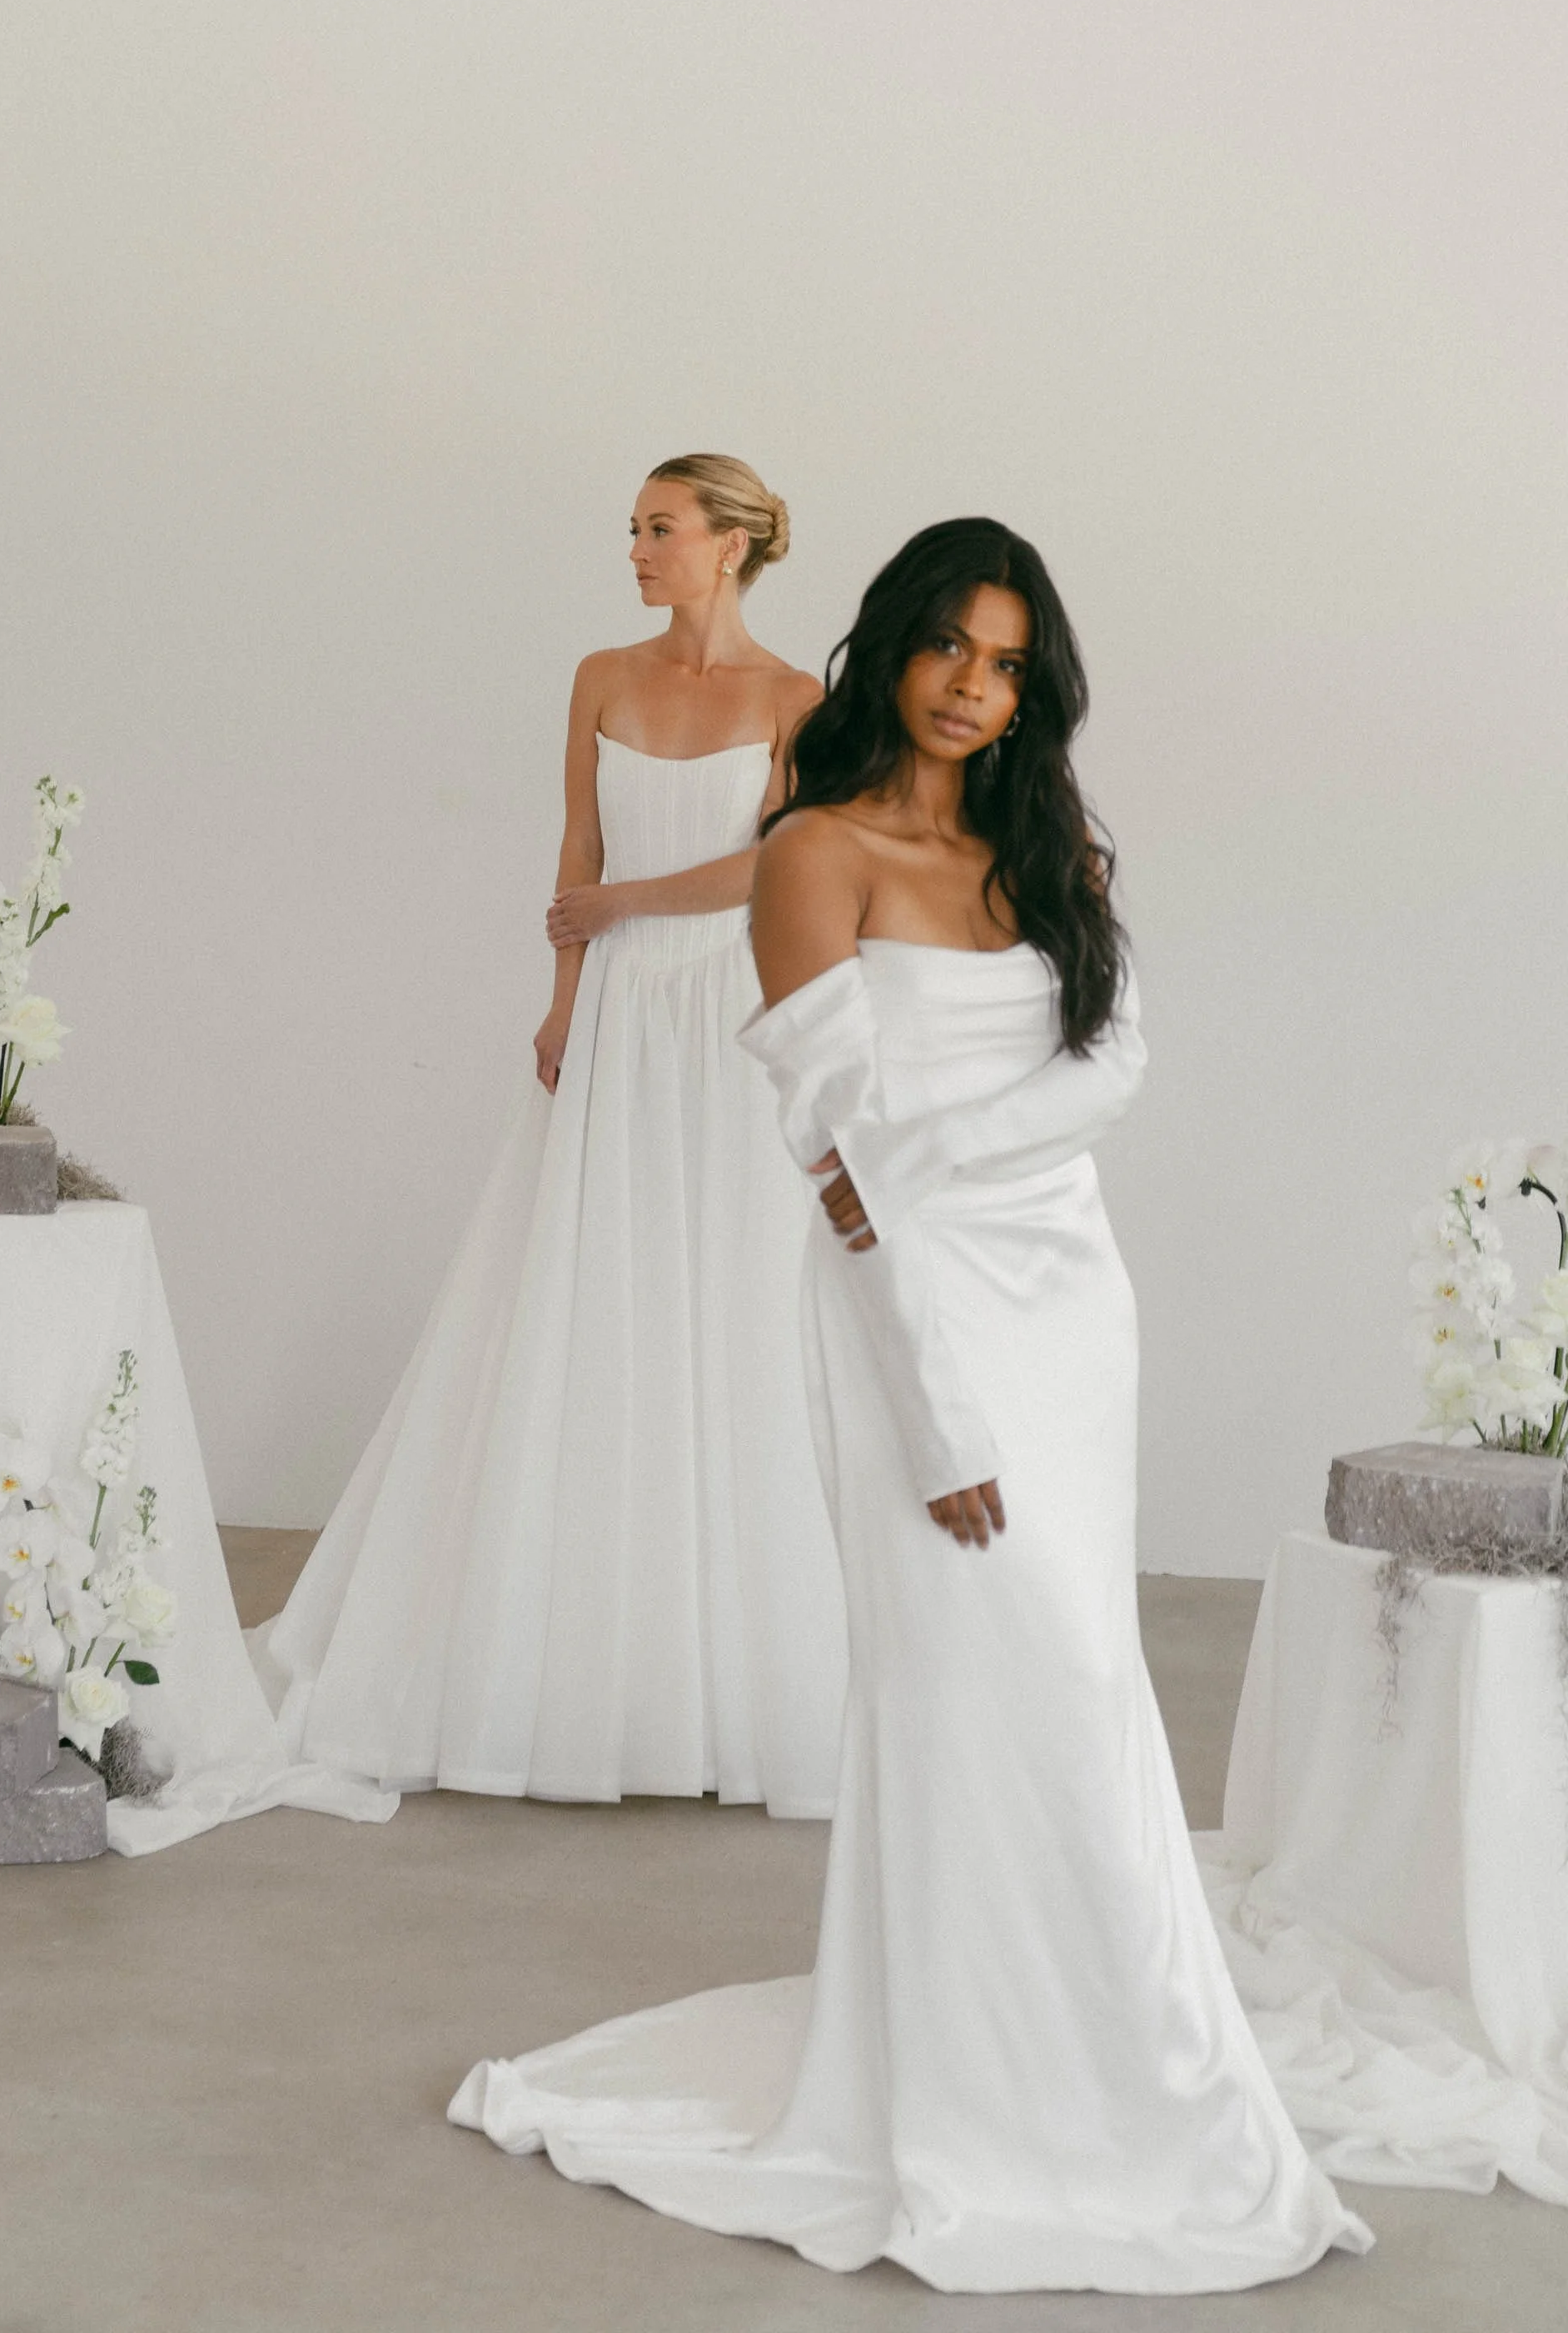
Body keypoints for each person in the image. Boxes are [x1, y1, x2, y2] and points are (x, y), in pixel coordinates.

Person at [450, 519, 1372, 2295]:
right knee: (971, 1688)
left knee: (1086, 1683)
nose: (973, 686)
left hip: (1071, 1317)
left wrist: (936, 1149)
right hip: (913, 1330)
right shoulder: (813, 850)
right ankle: (980, 2075)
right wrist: (937, 1417)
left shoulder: (1043, 845)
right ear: (887, 650)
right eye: (950, 646)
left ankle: (1115, 2048)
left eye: (1009, 661)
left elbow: (1116, 1064)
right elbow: (838, 1176)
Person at [255, 455, 847, 1817]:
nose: (636, 549)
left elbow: (777, 861)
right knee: (589, 1296)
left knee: (724, 1303)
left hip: (723, 1012)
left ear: (732, 545)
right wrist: (564, 1002)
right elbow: (569, 855)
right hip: (622, 1011)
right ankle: (567, 1649)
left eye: (659, 528)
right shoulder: (598, 675)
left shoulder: (798, 701)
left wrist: (623, 908)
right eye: (634, 529)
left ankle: (723, 1672)